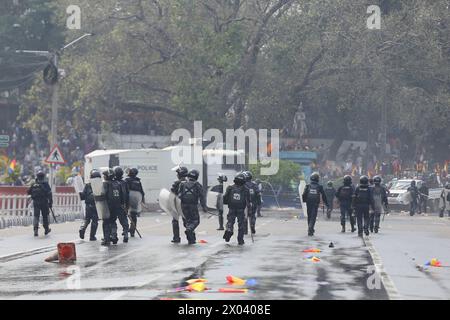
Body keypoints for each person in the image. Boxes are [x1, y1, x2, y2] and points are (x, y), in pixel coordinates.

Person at [178, 169, 207, 244]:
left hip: (183, 206)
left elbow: (179, 196)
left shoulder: (182, 184)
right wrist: (204, 207)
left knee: (187, 222)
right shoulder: (197, 185)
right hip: (193, 206)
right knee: (195, 221)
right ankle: (190, 230)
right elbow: (202, 197)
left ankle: (191, 240)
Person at [223, 173, 251, 245]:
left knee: (230, 222)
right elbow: (248, 201)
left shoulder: (230, 188)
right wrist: (250, 211)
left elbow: (225, 197)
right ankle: (240, 240)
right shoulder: (246, 189)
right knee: (241, 225)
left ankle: (229, 229)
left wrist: (227, 203)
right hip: (241, 209)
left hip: (231, 208)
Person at [100, 168, 124, 246]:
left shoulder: (105, 184)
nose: (103, 177)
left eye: (104, 175)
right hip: (116, 206)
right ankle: (114, 236)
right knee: (113, 221)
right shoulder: (117, 183)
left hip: (108, 206)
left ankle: (106, 239)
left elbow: (102, 194)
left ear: (108, 176)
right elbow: (122, 195)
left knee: (106, 222)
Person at [302, 172, 328, 236]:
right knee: (313, 216)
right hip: (315, 203)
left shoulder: (308, 186)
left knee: (309, 216)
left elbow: (304, 194)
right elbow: (324, 195)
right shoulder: (319, 186)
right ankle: (310, 228)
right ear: (317, 179)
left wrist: (305, 201)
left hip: (309, 202)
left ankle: (310, 228)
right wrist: (327, 204)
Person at [27, 171, 52, 237]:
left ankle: (35, 230)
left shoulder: (34, 184)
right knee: (45, 216)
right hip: (44, 202)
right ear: (43, 177)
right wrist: (50, 203)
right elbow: (49, 193)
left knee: (36, 216)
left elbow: (28, 192)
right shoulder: (45, 183)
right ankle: (46, 229)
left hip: (36, 202)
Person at [78, 170, 100, 241]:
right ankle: (92, 236)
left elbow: (83, 196)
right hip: (96, 205)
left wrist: (79, 194)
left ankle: (82, 228)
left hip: (88, 205)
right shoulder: (100, 185)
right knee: (95, 221)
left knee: (87, 219)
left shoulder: (87, 185)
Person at [170, 166, 188, 243]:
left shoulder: (176, 183)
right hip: (186, 205)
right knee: (187, 222)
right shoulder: (189, 182)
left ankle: (176, 238)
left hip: (177, 204)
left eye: (177, 173)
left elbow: (172, 193)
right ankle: (191, 237)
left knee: (175, 221)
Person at [125, 167, 145, 237]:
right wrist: (142, 201)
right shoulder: (138, 181)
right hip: (135, 202)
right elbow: (142, 192)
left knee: (124, 216)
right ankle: (132, 231)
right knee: (133, 217)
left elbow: (124, 191)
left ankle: (126, 230)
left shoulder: (126, 180)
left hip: (127, 201)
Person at [112, 166, 130, 243]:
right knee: (124, 220)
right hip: (123, 205)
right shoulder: (124, 183)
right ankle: (126, 233)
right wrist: (127, 206)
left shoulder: (112, 183)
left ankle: (114, 235)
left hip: (114, 205)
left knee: (112, 220)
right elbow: (127, 195)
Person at [243, 171, 261, 235]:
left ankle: (245, 231)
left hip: (245, 204)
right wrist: (259, 203)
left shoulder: (243, 185)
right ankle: (252, 225)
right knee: (253, 215)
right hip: (253, 203)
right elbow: (258, 194)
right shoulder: (254, 185)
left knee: (244, 217)